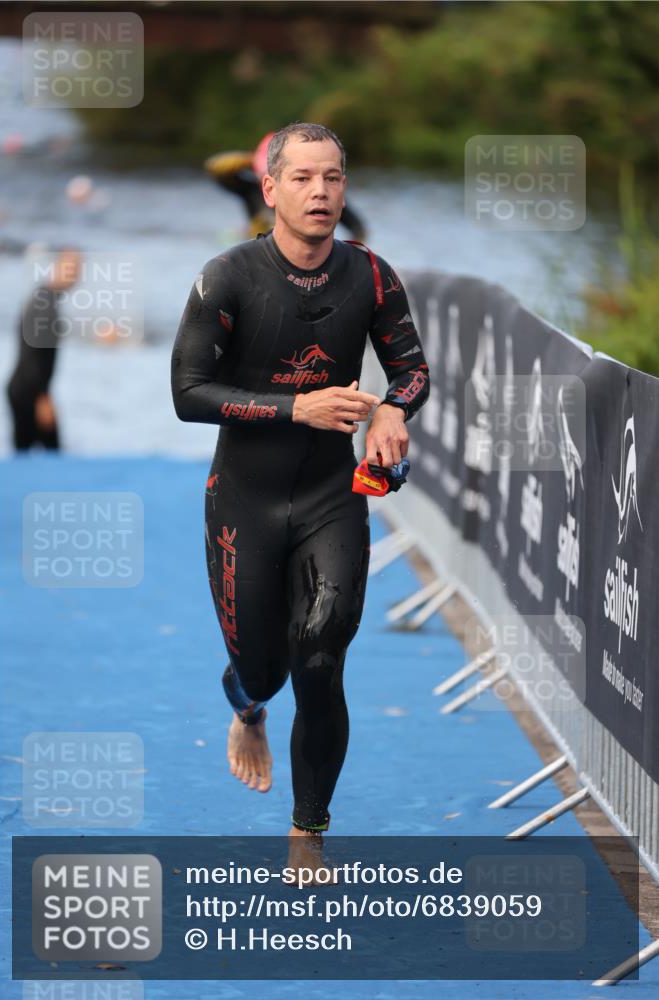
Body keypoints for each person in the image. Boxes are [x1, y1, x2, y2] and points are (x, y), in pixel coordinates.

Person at [172, 122, 429, 856]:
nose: (320, 192)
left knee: (320, 655)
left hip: (329, 496)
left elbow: (412, 370)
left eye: (333, 178)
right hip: (243, 501)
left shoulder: (371, 275)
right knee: (263, 671)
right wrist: (298, 408)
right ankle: (247, 708)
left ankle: (307, 829)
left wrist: (391, 409)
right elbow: (188, 394)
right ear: (271, 189)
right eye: (303, 178)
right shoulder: (226, 277)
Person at [205, 130, 368, 240]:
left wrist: (350, 257)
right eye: (268, 175)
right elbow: (215, 167)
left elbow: (358, 229)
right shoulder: (252, 191)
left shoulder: (322, 196)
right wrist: (251, 160)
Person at [6, 248, 82, 451]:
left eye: (77, 270)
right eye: (70, 268)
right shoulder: (44, 304)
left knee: (32, 453)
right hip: (27, 391)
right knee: (46, 453)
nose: (75, 275)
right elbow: (32, 355)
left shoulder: (45, 298)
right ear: (56, 267)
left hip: (25, 388)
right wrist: (42, 398)